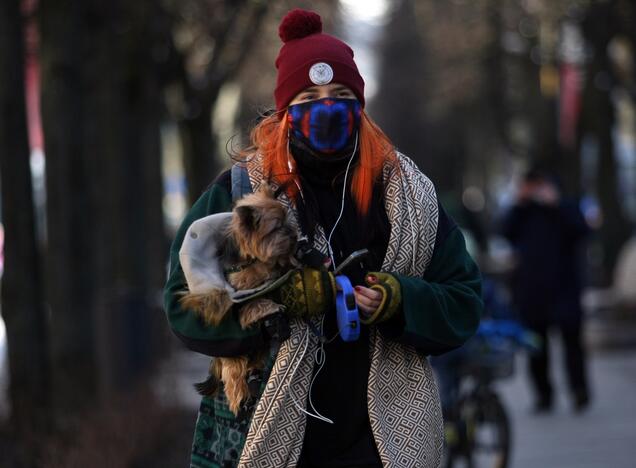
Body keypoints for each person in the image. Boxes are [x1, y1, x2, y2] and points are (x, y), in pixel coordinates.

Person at [164, 8, 482, 468]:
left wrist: (399, 300)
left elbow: (465, 299)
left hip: (383, 444)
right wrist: (277, 302)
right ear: (285, 111)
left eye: (341, 94)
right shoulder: (238, 194)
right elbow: (181, 302)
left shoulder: (409, 195)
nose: (327, 106)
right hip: (269, 432)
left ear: (360, 104)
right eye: (309, 96)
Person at [501, 167, 591, 412]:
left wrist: (557, 204)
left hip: (565, 288)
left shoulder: (566, 207)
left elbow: (582, 231)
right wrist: (519, 203)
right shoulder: (523, 212)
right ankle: (543, 394)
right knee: (537, 347)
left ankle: (579, 390)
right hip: (533, 292)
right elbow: (504, 231)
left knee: (572, 344)